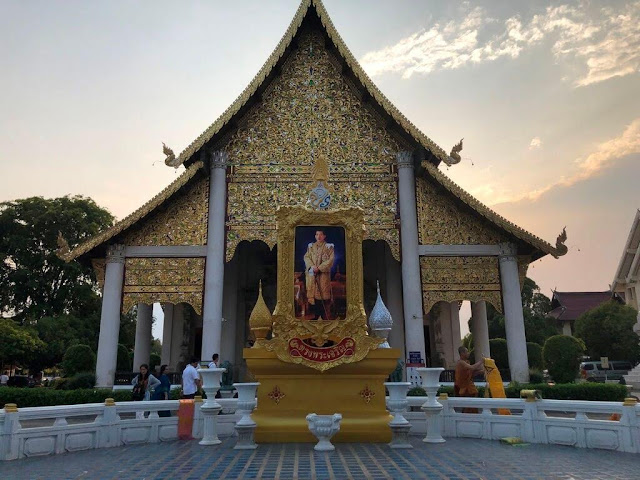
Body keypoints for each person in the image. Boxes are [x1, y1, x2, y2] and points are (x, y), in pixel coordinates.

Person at [304, 229, 335, 320]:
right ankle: (316, 316)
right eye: (317, 234)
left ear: (324, 236)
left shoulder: (329, 247)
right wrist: (313, 266)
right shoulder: (310, 247)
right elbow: (306, 257)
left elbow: (331, 260)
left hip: (323, 275)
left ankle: (323, 316)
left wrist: (320, 268)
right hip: (312, 274)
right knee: (313, 294)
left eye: (321, 234)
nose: (318, 236)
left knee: (322, 295)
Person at [454, 346, 484, 413]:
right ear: (462, 353)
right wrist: (481, 361)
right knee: (468, 407)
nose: (468, 353)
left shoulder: (466, 362)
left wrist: (480, 372)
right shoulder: (461, 362)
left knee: (472, 407)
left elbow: (471, 374)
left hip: (469, 388)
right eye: (467, 352)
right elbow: (472, 368)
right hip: (465, 389)